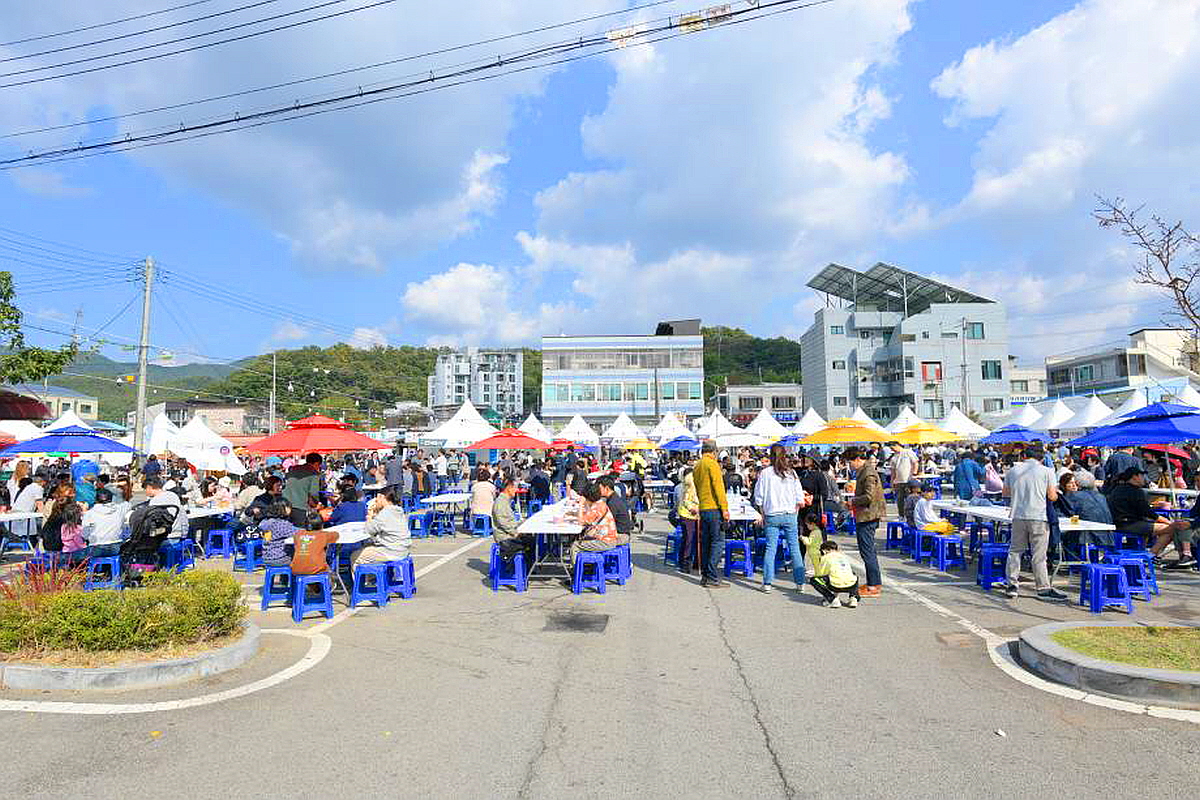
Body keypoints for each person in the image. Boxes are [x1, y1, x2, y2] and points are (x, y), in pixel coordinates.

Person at [1002, 445, 1068, 601]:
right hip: (1038, 515)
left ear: (1024, 456)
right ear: (1042, 458)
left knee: (1015, 551)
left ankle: (1012, 584)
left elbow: (1005, 493)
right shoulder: (1047, 471)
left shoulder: (1013, 471)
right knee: (1039, 555)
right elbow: (1052, 496)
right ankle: (1043, 588)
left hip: (1018, 515)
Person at [1106, 465, 1194, 568]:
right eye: (1142, 476)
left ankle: (1152, 555)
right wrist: (1167, 522)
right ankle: (1150, 556)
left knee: (1167, 527)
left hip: (1116, 524)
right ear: (1135, 477)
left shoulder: (1117, 489)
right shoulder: (1136, 491)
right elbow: (1148, 513)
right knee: (1171, 529)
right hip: (1130, 524)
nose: (1144, 479)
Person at [753, 443, 807, 593]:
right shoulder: (792, 473)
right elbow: (799, 499)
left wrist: (762, 514)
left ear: (771, 456)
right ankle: (800, 583)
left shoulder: (765, 473)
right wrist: (794, 512)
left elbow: (759, 498)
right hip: (790, 514)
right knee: (795, 548)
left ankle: (768, 583)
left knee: (770, 549)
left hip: (771, 515)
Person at [845, 447, 883, 597]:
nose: (850, 465)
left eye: (850, 462)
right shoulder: (865, 471)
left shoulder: (868, 472)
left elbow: (869, 496)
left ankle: (874, 586)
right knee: (867, 550)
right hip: (865, 514)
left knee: (867, 551)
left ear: (857, 459)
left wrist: (852, 502)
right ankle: (872, 582)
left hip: (868, 515)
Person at [692, 440, 729, 589]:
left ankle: (706, 576)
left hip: (703, 508)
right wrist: (725, 509)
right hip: (714, 508)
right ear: (714, 451)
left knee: (707, 543)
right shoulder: (712, 464)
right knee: (718, 542)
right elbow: (719, 488)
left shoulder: (698, 465)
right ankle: (713, 577)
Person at [352, 486, 411, 567]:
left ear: (382, 497)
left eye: (377, 499)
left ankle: (365, 579)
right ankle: (374, 578)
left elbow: (369, 530)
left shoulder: (384, 513)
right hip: (403, 548)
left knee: (355, 556)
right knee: (368, 547)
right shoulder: (398, 510)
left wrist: (370, 517)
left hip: (391, 551)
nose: (376, 501)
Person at [569, 480, 619, 569]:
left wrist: (581, 504)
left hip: (605, 541)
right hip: (608, 538)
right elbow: (588, 516)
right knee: (580, 538)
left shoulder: (596, 508)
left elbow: (581, 522)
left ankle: (576, 572)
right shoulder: (600, 503)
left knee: (575, 546)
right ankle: (584, 567)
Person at [491, 478, 535, 566]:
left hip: (508, 533)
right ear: (509, 488)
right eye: (515, 488)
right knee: (531, 541)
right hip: (504, 538)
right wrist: (516, 533)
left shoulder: (505, 501)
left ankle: (526, 567)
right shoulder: (501, 503)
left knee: (530, 537)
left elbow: (509, 522)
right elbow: (504, 523)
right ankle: (527, 569)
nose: (516, 490)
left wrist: (523, 523)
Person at [809, 538, 859, 608]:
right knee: (853, 575)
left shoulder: (825, 557)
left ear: (824, 550)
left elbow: (821, 574)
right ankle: (853, 598)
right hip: (851, 585)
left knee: (814, 580)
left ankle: (832, 600)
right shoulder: (843, 557)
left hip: (836, 585)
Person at [81, 487, 129, 559]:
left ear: (96, 500)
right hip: (117, 547)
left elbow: (84, 535)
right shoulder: (120, 510)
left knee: (73, 554)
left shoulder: (89, 513)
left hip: (96, 548)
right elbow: (127, 503)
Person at [144, 476, 188, 541]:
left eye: (145, 489)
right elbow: (183, 516)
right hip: (177, 534)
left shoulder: (154, 501)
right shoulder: (174, 495)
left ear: (149, 487)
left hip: (163, 536)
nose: (145, 492)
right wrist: (184, 534)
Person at [283, 453, 323, 525]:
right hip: (300, 507)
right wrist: (317, 504)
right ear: (317, 463)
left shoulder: (294, 469)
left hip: (285, 504)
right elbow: (314, 493)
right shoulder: (314, 474)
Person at [259, 500, 300, 568]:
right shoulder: (281, 524)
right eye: (288, 507)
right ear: (282, 508)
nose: (290, 509)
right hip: (279, 558)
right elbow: (299, 533)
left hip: (266, 557)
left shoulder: (265, 522)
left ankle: (285, 578)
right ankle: (291, 578)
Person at [676, 467, 700, 574]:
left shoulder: (688, 482)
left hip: (689, 514)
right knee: (689, 540)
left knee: (689, 539)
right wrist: (692, 508)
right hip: (688, 514)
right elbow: (687, 499)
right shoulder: (690, 482)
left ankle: (688, 562)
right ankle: (685, 563)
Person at [888, 441, 918, 516]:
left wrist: (914, 473)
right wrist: (892, 482)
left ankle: (912, 515)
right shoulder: (893, 457)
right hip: (898, 481)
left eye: (893, 448)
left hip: (908, 480)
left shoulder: (908, 452)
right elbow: (893, 471)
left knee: (910, 499)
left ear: (897, 445)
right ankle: (901, 515)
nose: (892, 450)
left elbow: (915, 463)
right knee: (900, 500)